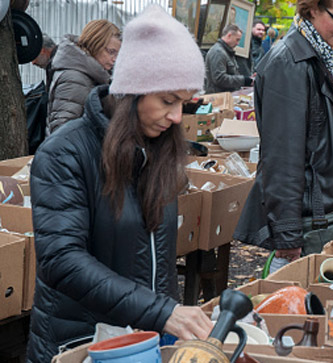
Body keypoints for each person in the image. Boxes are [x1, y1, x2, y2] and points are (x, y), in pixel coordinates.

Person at [26, 6, 213, 362]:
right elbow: (62, 260)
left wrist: (164, 318)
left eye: (183, 104)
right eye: (167, 101)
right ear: (130, 92)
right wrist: (162, 311)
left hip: (143, 342)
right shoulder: (65, 153)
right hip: (83, 345)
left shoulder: (157, 149)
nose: (176, 118)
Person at [233, 0, 333, 272]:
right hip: (310, 220)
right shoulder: (290, 62)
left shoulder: (320, 54)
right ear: (313, 10)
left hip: (323, 214)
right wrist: (287, 233)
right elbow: (282, 156)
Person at [47, 19, 121, 136]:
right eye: (111, 52)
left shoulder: (91, 75)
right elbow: (62, 132)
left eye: (117, 53)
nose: (114, 59)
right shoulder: (74, 77)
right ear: (95, 44)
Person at [205, 24, 253, 93]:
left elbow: (232, 74)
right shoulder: (218, 52)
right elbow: (219, 79)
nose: (237, 43)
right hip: (219, 98)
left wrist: (247, 79)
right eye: (237, 40)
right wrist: (244, 80)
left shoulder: (226, 52)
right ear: (229, 35)